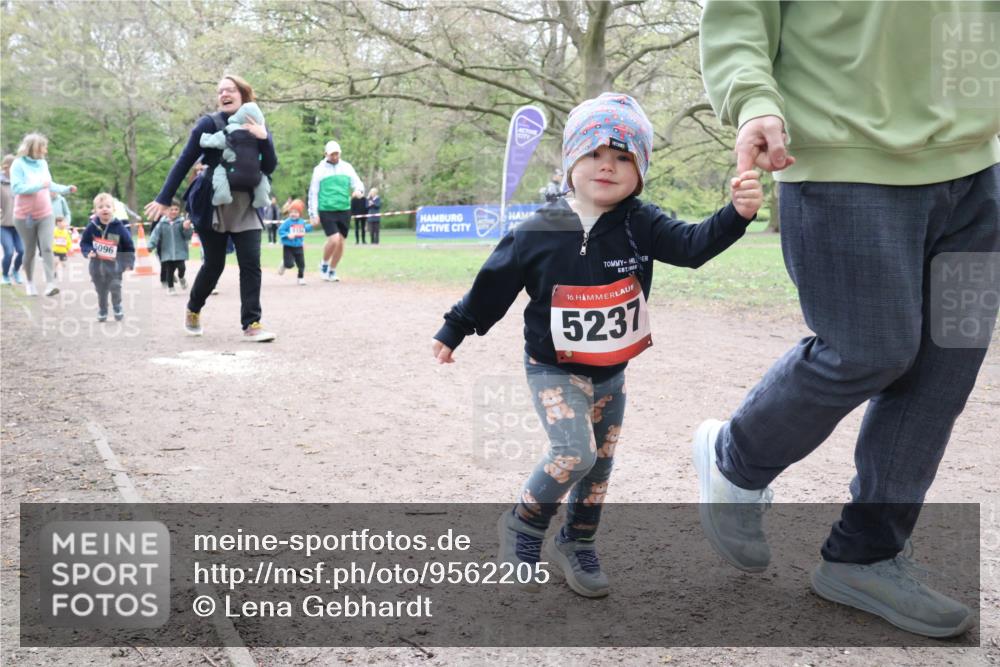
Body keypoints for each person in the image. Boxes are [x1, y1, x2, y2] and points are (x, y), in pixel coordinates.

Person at [697, 1, 999, 638]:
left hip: (978, 175)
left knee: (945, 372)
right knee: (871, 349)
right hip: (843, 159)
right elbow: (739, 15)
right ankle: (735, 459)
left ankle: (866, 555)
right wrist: (754, 99)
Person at [431, 93, 763, 598]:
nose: (607, 165)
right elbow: (493, 285)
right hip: (552, 368)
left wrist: (735, 215)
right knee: (575, 452)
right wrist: (456, 327)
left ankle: (578, 541)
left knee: (600, 466)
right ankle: (523, 525)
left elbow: (693, 247)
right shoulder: (538, 228)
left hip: (610, 372)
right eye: (593, 153)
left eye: (623, 156)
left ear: (640, 170)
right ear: (570, 162)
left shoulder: (641, 223)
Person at [144, 74, 278, 341]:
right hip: (212, 204)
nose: (224, 95)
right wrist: (163, 197)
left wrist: (264, 138)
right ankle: (194, 308)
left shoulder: (256, 122)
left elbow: (270, 166)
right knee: (213, 265)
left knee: (251, 264)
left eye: (230, 90)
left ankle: (252, 323)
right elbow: (184, 161)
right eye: (220, 91)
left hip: (246, 205)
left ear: (243, 95)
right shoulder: (210, 123)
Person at [9, 133, 77, 297]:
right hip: (24, 216)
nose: (46, 150)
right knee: (30, 251)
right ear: (34, 148)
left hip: (46, 213)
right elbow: (17, 189)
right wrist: (39, 185)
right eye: (43, 147)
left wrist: (65, 189)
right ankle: (30, 283)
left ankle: (50, 284)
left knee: (47, 247)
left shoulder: (42, 164)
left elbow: (50, 184)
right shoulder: (18, 164)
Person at [307, 140, 363, 282]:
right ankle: (324, 263)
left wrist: (358, 191)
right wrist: (313, 213)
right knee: (334, 239)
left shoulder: (347, 167)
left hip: (344, 208)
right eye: (332, 154)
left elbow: (358, 183)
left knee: (341, 242)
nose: (335, 156)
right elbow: (313, 192)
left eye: (337, 153)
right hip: (326, 209)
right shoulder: (319, 170)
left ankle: (332, 270)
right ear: (326, 154)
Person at [80, 193, 135, 322]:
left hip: (115, 266)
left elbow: (128, 245)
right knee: (101, 290)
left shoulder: (119, 227)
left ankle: (117, 306)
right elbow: (84, 243)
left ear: (113, 209)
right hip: (96, 266)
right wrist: (88, 252)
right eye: (100, 207)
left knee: (115, 286)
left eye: (108, 206)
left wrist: (129, 262)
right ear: (95, 211)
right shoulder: (91, 227)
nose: (104, 209)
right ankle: (103, 308)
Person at [148, 200, 193, 295]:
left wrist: (187, 228)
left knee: (182, 268)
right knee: (170, 270)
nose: (173, 211)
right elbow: (155, 235)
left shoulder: (182, 222)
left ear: (179, 210)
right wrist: (151, 246)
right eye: (171, 209)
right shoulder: (161, 223)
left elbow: (188, 236)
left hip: (180, 251)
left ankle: (181, 277)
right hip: (167, 251)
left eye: (176, 209)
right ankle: (171, 288)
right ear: (165, 211)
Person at [1, 154, 25, 286]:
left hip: (19, 224)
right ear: (7, 167)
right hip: (3, 224)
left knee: (22, 251)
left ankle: (15, 271)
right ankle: (4, 275)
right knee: (9, 251)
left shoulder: (21, 183)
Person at [277, 199, 313, 285]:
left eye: (296, 212)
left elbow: (305, 229)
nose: (293, 214)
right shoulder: (287, 222)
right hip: (288, 246)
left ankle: (301, 278)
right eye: (292, 212)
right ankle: (285, 263)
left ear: (300, 214)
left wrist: (312, 225)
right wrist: (287, 234)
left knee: (301, 264)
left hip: (299, 246)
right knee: (289, 264)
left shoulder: (301, 222)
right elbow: (280, 230)